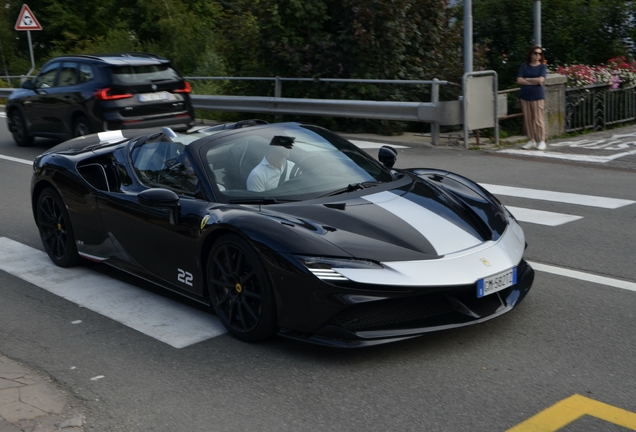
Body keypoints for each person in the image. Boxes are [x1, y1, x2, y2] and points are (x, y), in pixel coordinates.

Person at [517, 46, 548, 150]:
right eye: (535, 53)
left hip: (537, 96)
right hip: (525, 95)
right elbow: (519, 80)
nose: (537, 55)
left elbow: (540, 80)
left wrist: (527, 80)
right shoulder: (525, 66)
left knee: (538, 119)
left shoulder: (542, 67)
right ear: (531, 54)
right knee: (528, 119)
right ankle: (531, 140)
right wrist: (532, 81)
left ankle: (542, 140)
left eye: (539, 54)